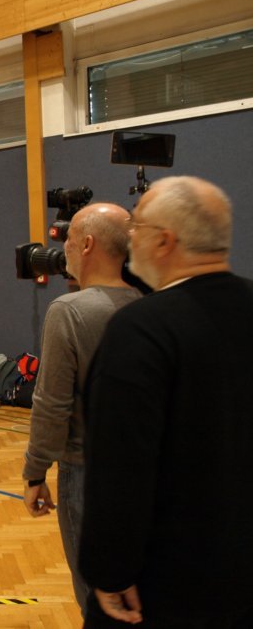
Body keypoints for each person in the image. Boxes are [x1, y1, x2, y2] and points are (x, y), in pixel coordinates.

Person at [79, 176, 253, 627]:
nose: (129, 239)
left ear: (164, 241)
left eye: (136, 226)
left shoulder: (141, 329)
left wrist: (110, 570)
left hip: (169, 581)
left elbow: (120, 464)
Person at [20, 203, 140, 615]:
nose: (63, 249)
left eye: (68, 239)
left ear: (87, 244)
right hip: (140, 469)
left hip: (85, 472)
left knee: (94, 594)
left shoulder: (68, 312)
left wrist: (35, 473)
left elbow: (51, 403)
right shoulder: (146, 304)